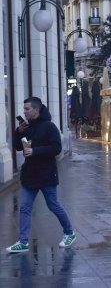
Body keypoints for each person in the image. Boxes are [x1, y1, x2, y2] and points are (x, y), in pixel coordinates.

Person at [6, 97, 76, 253]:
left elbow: (56, 148)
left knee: (53, 205)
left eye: (27, 109)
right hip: (29, 174)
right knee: (25, 208)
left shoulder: (49, 127)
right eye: (24, 109)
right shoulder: (27, 127)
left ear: (36, 110)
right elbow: (19, 147)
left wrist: (35, 151)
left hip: (46, 174)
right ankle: (23, 241)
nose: (24, 112)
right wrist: (19, 132)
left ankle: (69, 232)